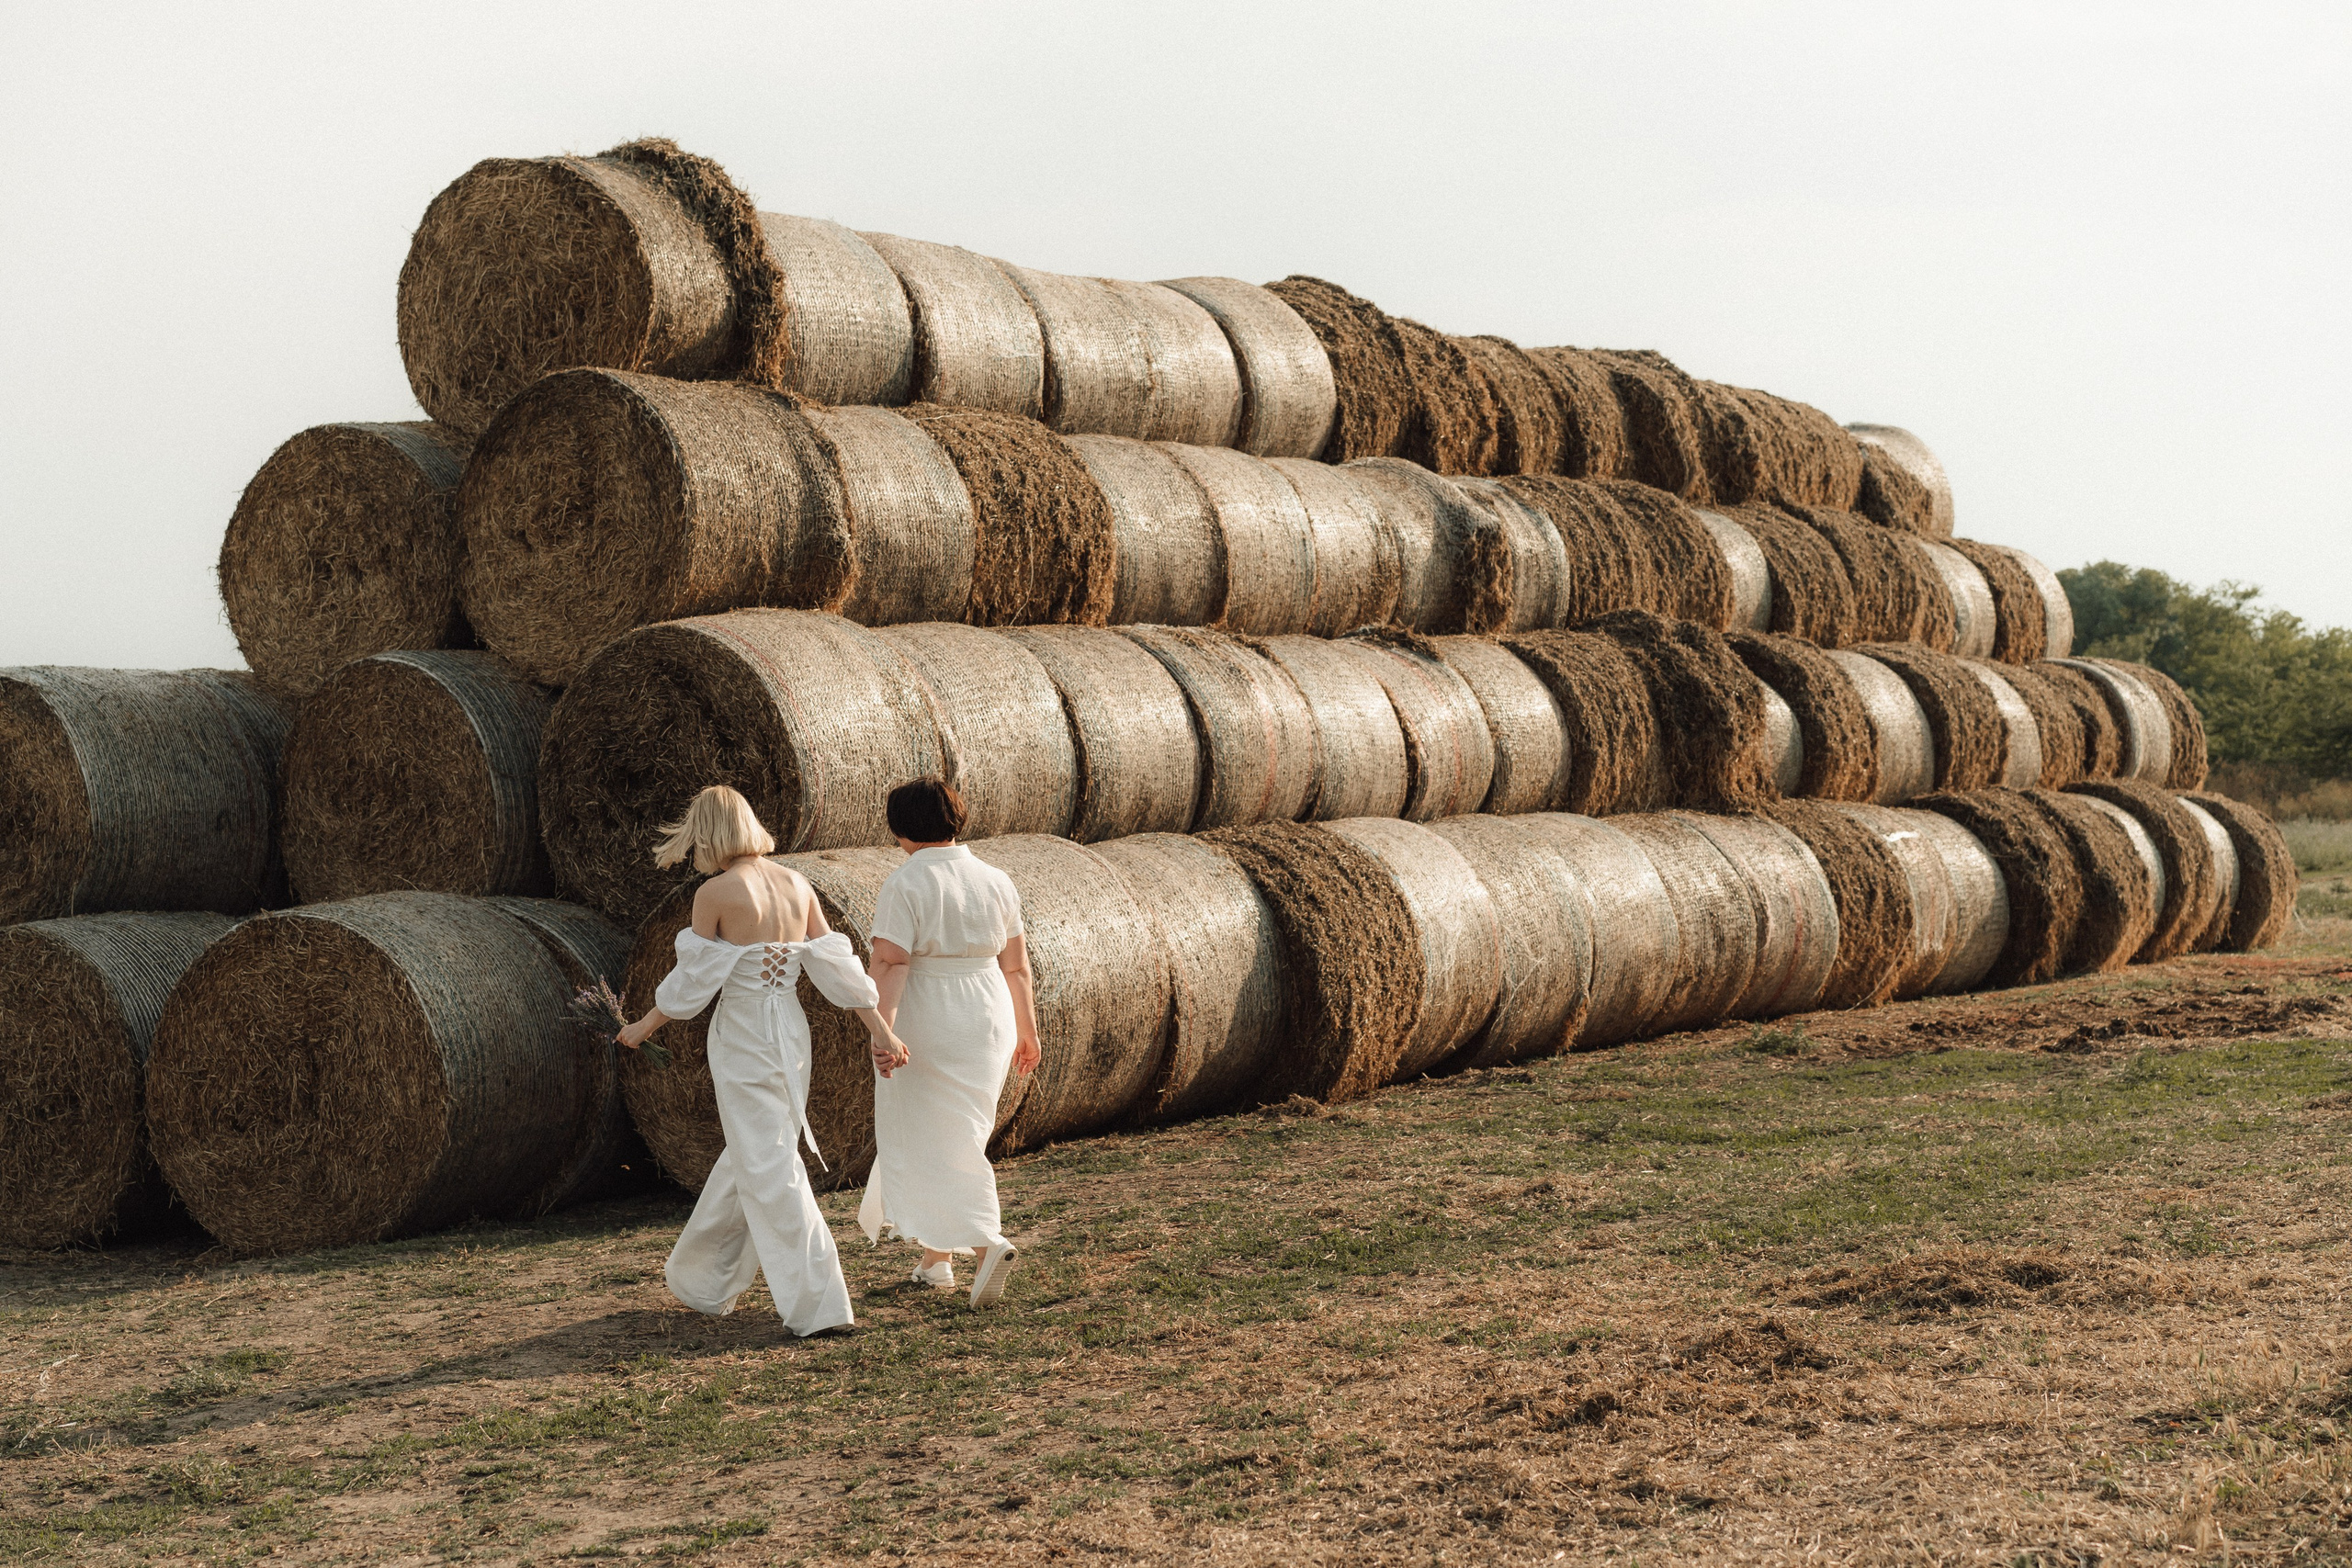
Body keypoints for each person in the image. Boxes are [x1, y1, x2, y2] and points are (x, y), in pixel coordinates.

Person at [618, 784, 907, 1337]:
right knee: (757, 1149)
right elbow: (839, 971)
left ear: (707, 832)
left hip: (746, 1031)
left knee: (770, 1162)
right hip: (792, 1030)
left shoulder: (716, 893)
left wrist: (641, 1027)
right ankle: (702, 1278)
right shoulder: (798, 884)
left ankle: (821, 1306)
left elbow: (692, 980)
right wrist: (884, 1032)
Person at [859, 778, 1042, 1308]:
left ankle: (987, 1244)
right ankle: (936, 1261)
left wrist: (882, 1029)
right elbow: (1018, 966)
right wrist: (1027, 1030)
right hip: (988, 1013)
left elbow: (891, 961)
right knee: (958, 1132)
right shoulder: (995, 879)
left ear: (900, 828)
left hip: (929, 1014)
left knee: (932, 1135)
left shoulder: (905, 884)